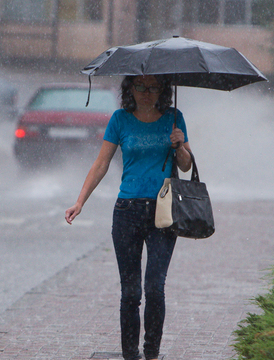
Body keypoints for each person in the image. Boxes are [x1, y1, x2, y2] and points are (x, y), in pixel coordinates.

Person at [64, 75, 192, 360]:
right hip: (127, 212)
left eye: (153, 87)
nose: (147, 93)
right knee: (131, 292)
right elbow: (101, 164)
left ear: (162, 90)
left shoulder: (174, 118)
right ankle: (130, 355)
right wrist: (80, 201)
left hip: (164, 212)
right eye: (141, 87)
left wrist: (180, 145)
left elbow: (185, 165)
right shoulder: (120, 119)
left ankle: (151, 353)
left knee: (155, 288)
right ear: (130, 89)